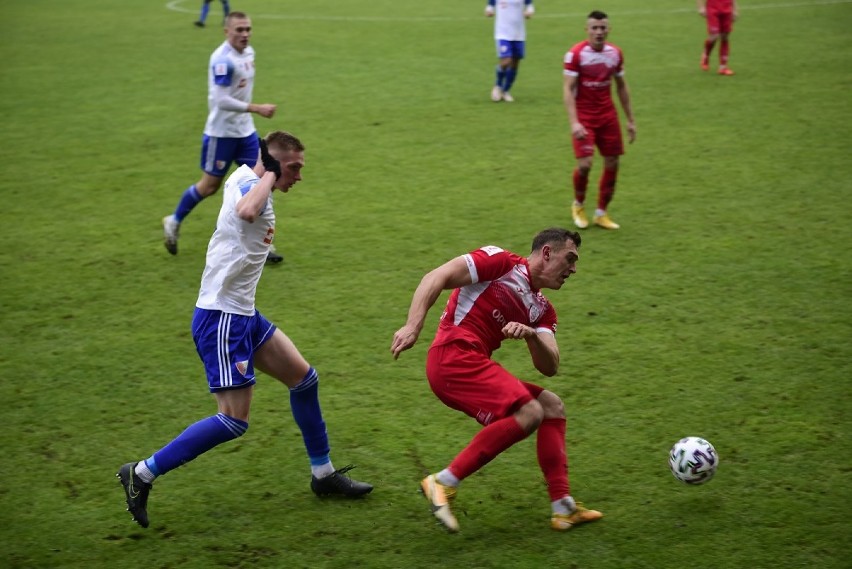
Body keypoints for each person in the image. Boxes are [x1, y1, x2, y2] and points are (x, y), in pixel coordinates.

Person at [119, 131, 373, 528]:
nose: (299, 177)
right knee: (233, 420)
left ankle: (323, 476)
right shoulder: (255, 188)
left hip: (242, 314)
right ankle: (140, 474)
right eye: (294, 168)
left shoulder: (243, 177)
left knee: (304, 380)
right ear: (271, 164)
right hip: (222, 319)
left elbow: (250, 184)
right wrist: (272, 174)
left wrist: (268, 169)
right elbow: (247, 213)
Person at [391, 228, 602, 533]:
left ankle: (562, 507)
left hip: (471, 362)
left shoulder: (543, 310)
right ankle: (443, 483)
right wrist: (413, 326)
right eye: (569, 259)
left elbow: (550, 365)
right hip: (452, 357)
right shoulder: (500, 262)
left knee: (551, 406)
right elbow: (435, 277)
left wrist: (532, 336)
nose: (573, 269)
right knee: (529, 413)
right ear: (546, 253)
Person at [163, 12, 283, 264]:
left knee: (261, 180)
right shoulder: (222, 59)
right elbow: (220, 100)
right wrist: (256, 108)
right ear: (226, 31)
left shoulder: (249, 53)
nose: (245, 34)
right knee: (209, 187)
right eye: (239, 29)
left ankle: (263, 243)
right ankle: (173, 221)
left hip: (246, 132)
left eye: (248, 29)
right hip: (221, 134)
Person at [563, 10, 636, 231]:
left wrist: (630, 120)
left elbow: (622, 87)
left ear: (608, 30)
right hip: (585, 116)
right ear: (587, 30)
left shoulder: (615, 54)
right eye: (594, 27)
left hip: (607, 116)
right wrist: (574, 122)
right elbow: (568, 89)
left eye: (603, 27)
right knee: (585, 165)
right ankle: (578, 204)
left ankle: (601, 213)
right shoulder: (576, 54)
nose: (599, 32)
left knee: (613, 162)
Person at [485, 0, 534, 102]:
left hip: (518, 34)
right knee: (506, 60)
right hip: (503, 33)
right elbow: (490, 6)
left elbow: (530, 6)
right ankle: (498, 85)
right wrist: (489, 11)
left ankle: (505, 90)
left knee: (515, 63)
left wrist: (529, 12)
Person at [698, 0, 738, 75]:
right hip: (713, 9)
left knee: (725, 37)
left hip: (727, 8)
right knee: (714, 36)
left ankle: (723, 67)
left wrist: (735, 9)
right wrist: (701, 7)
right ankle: (706, 55)